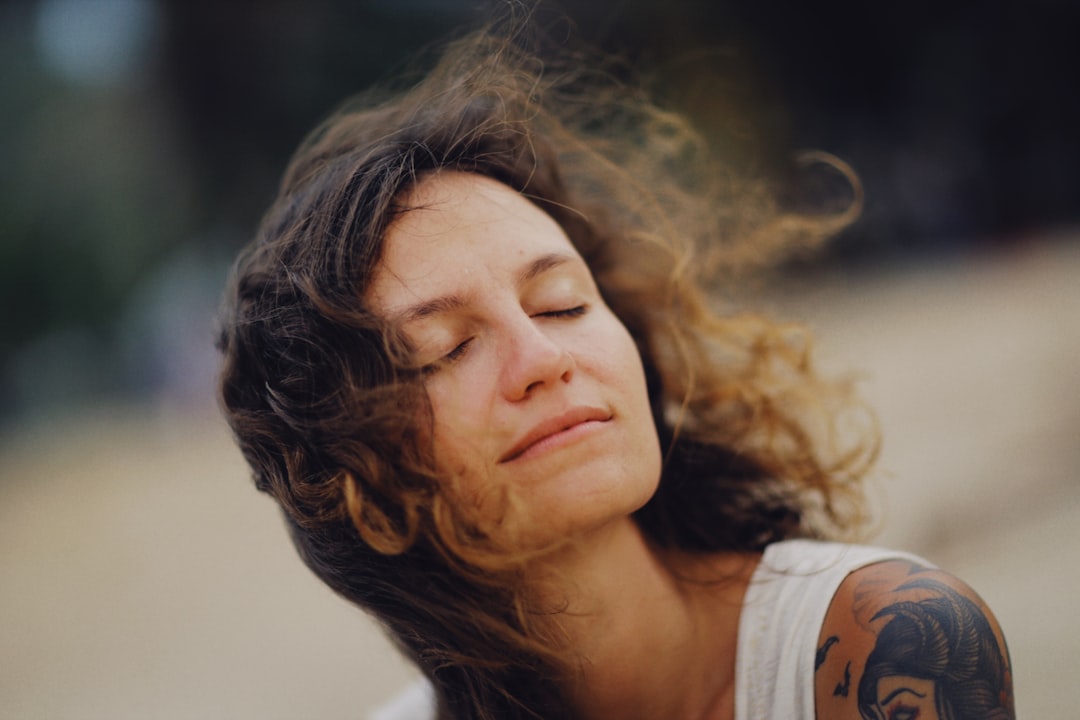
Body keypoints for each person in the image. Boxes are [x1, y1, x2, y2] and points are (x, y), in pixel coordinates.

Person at [216, 19, 1014, 720]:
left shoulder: (881, 647)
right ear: (361, 493)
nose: (543, 359)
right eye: (447, 348)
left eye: (562, 303)